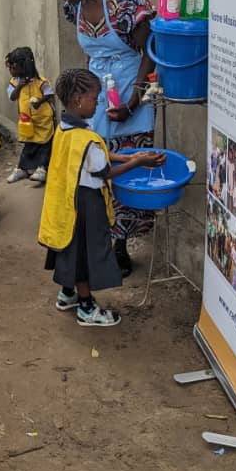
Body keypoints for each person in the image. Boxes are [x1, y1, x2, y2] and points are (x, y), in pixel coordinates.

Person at [36, 0, 156, 276]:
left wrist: (134, 99)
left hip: (131, 92)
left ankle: (120, 245)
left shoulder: (124, 2)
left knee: (127, 172)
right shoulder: (74, 8)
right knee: (96, 167)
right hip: (97, 96)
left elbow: (150, 51)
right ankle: (101, 238)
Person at [39, 69, 165, 326]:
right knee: (85, 256)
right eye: (94, 99)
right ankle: (86, 308)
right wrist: (137, 161)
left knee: (70, 251)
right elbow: (105, 170)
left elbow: (96, 157)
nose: (97, 104)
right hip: (86, 206)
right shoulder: (87, 139)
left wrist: (129, 157)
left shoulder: (64, 128)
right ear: (77, 100)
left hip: (67, 203)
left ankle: (67, 294)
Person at [6, 47, 55, 185]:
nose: (11, 71)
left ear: (24, 66)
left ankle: (42, 169)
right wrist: (19, 87)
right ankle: (22, 168)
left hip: (43, 120)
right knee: (29, 144)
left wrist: (40, 101)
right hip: (27, 120)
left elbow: (50, 94)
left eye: (14, 68)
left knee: (45, 144)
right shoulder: (14, 82)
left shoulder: (40, 81)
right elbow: (12, 97)